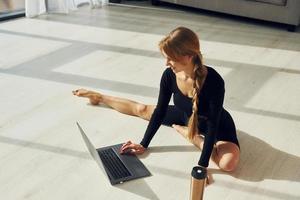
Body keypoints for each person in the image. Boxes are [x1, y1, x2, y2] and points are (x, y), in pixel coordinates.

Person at [73, 27, 240, 175]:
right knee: (142, 109)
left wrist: (202, 166)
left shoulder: (214, 81)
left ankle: (193, 138)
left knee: (228, 164)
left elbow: (212, 125)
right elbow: (159, 112)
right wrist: (143, 144)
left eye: (170, 58)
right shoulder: (169, 75)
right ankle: (100, 97)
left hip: (217, 126)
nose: (167, 63)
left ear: (188, 57)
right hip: (185, 117)